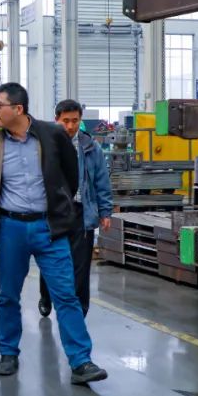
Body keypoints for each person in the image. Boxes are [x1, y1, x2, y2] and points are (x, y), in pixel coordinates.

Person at [0, 83, 108, 385]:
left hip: (49, 228)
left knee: (66, 294)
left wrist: (61, 208)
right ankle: (8, 353)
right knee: (8, 294)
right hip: (11, 228)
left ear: (18, 109)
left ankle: (81, 361)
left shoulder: (52, 135)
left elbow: (71, 176)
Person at [38, 100, 113, 318]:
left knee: (81, 264)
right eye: (65, 121)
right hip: (53, 213)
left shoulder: (90, 147)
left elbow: (101, 180)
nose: (70, 126)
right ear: (56, 120)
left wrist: (105, 211)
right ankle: (46, 296)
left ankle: (80, 308)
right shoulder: (46, 145)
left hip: (81, 212)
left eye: (75, 121)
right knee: (51, 260)